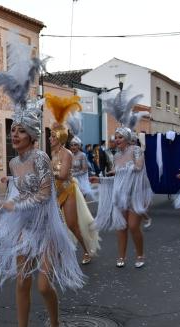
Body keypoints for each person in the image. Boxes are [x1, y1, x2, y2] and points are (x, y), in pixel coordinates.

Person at [0, 32, 85, 327]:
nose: (14, 134)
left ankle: (54, 325)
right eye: (12, 129)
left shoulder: (40, 158)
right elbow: (14, 193)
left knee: (42, 284)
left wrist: (13, 206)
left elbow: (43, 195)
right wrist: (2, 205)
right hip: (24, 230)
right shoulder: (13, 162)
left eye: (19, 130)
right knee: (22, 282)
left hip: (46, 229)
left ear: (33, 134)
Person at [93, 89, 153, 268]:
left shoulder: (135, 150)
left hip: (135, 194)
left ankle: (140, 254)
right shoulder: (116, 156)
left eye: (119, 137)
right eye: (115, 137)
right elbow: (117, 178)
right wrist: (101, 179)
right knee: (121, 226)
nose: (116, 140)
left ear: (127, 138)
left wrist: (120, 171)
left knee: (133, 226)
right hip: (121, 195)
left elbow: (138, 167)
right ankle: (122, 256)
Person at [45, 93, 100, 265]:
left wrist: (47, 173)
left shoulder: (67, 154)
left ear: (60, 137)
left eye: (53, 136)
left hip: (68, 191)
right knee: (52, 225)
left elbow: (62, 175)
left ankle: (86, 250)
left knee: (71, 224)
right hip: (54, 192)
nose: (49, 138)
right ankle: (57, 253)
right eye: (50, 135)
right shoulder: (52, 154)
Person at [67, 115, 95, 201]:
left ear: (79, 146)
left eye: (75, 145)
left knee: (81, 199)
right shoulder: (69, 154)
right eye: (71, 145)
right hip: (71, 180)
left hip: (81, 181)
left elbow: (84, 170)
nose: (73, 147)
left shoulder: (82, 155)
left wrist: (74, 175)